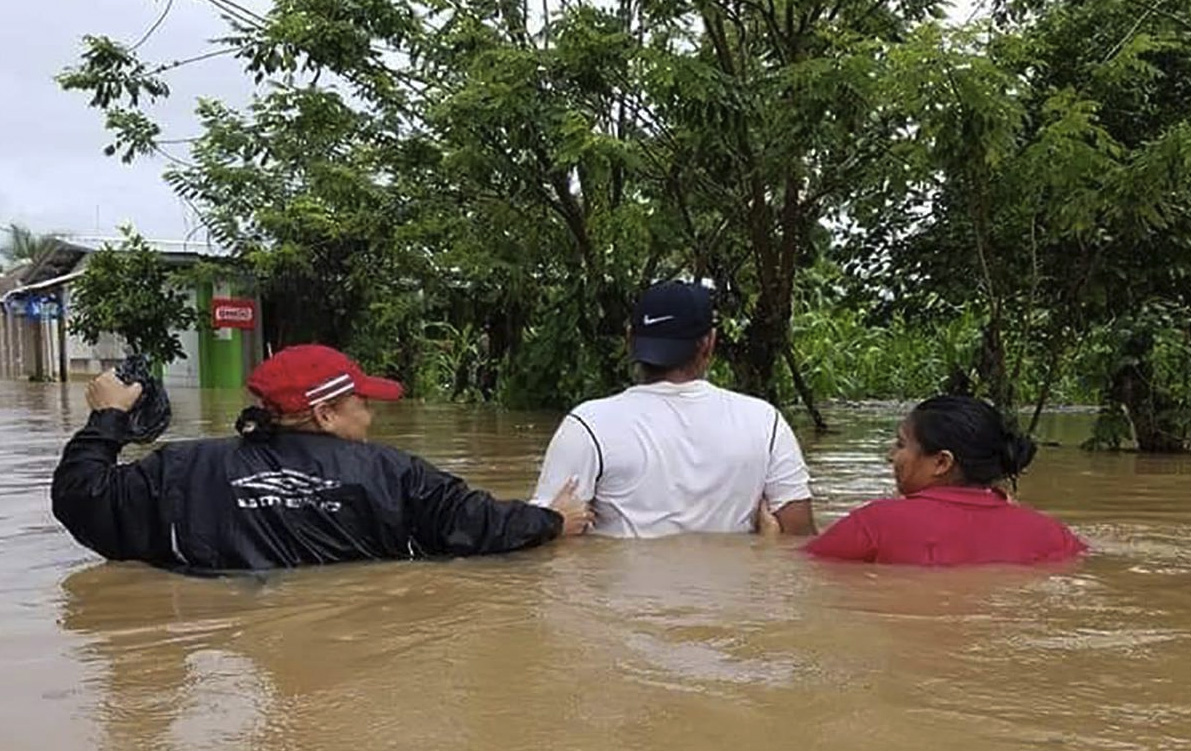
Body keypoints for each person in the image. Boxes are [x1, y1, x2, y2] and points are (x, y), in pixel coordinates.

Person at [52, 344, 592, 571]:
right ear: (326, 414)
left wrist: (108, 418)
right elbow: (480, 524)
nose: (371, 416)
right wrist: (552, 521)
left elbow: (81, 498)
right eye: (362, 403)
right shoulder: (393, 474)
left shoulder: (180, 470)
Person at [531, 280, 816, 538]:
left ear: (630, 340)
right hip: (730, 594)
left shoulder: (588, 424)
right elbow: (800, 539)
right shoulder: (765, 422)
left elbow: (544, 533)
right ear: (709, 343)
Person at [798, 395, 1087, 565]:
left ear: (941, 462)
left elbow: (798, 571)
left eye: (900, 445)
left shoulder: (874, 524)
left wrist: (772, 540)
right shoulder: (1054, 535)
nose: (891, 456)